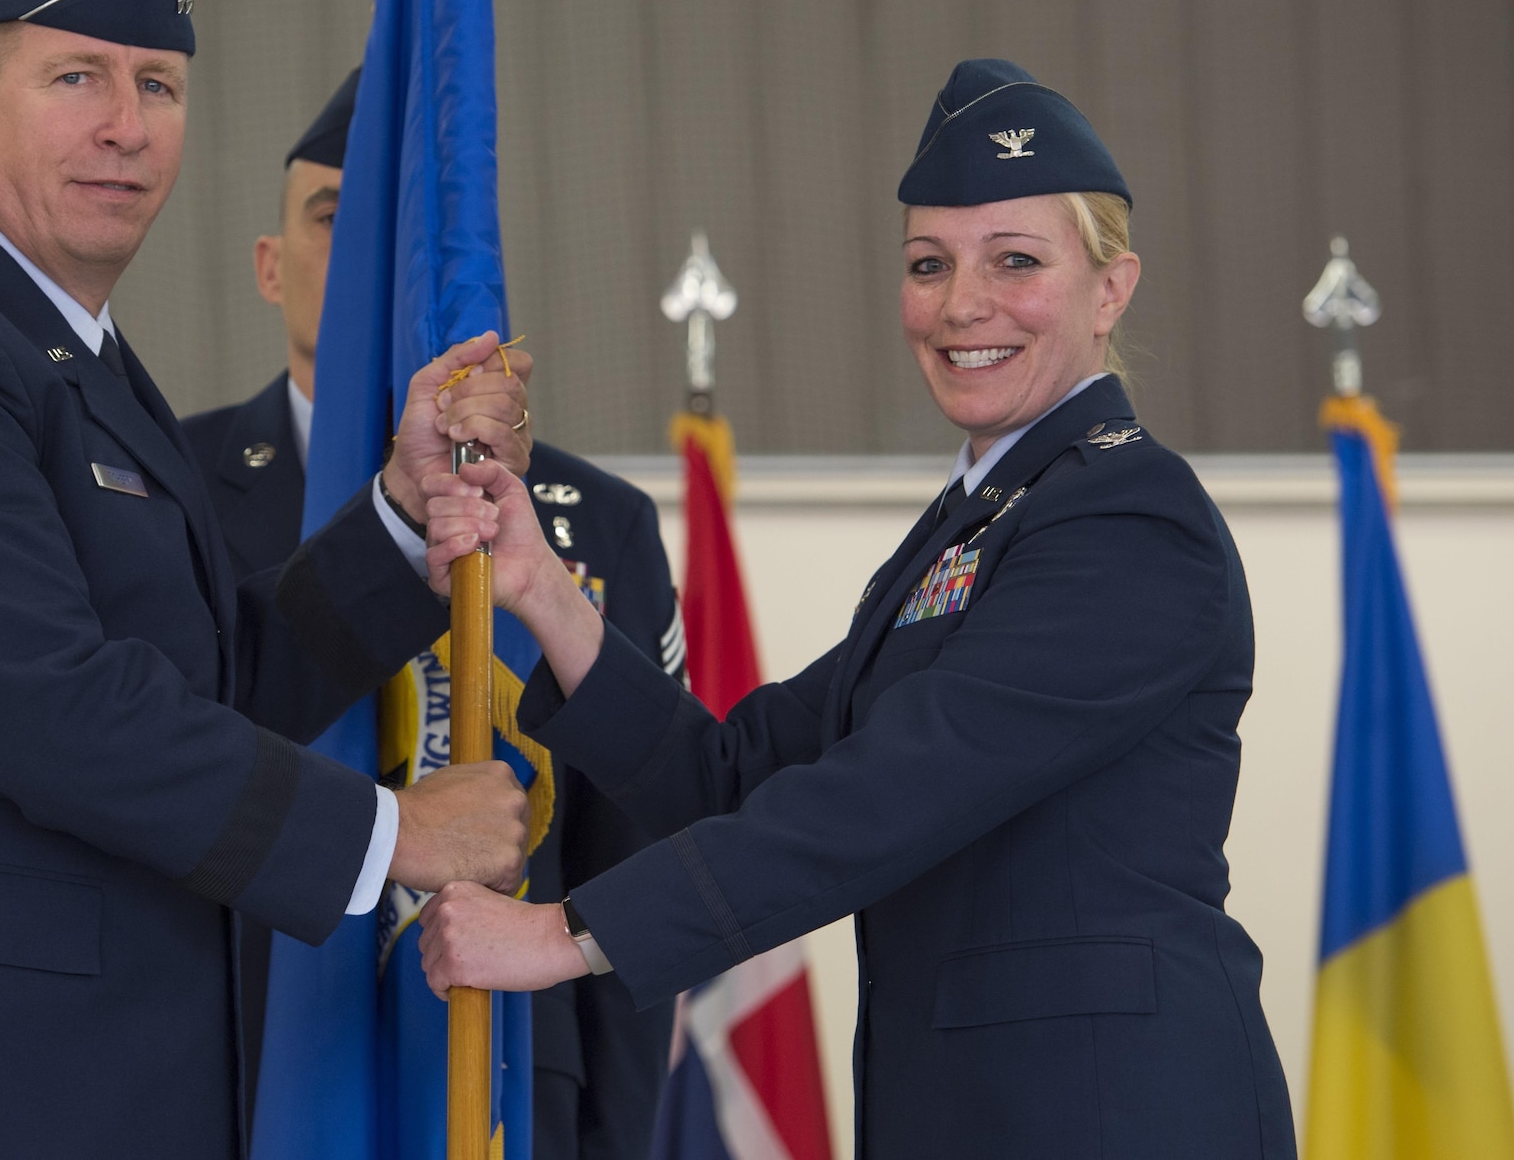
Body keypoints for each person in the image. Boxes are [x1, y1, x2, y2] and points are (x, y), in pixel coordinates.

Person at [0, 0, 532, 1159]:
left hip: (109, 1084)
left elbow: (215, 672)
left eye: (157, 86)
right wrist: (394, 833)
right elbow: (53, 708)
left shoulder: (73, 360)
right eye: (75, 78)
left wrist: (400, 513)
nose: (124, 127)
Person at [415, 59, 1297, 1159]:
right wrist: (542, 589)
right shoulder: (977, 521)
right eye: (928, 265)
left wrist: (564, 934)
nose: (961, 304)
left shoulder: (1124, 519)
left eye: (1014, 261)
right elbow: (733, 773)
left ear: (1109, 289)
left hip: (1108, 1116)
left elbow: (887, 796)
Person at [178, 67, 683, 1159]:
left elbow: (633, 850)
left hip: (502, 1074)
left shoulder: (596, 523)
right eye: (332, 216)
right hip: (237, 1074)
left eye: (394, 229)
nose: (367, 250)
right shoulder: (169, 485)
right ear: (270, 268)